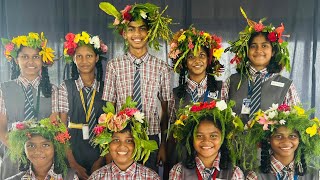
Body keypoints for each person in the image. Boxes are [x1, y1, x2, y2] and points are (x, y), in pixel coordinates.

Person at [99, 2, 173, 173]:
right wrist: (108, 144)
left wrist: (162, 144)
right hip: (121, 137)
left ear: (150, 33)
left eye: (142, 29)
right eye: (131, 29)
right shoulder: (114, 66)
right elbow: (108, 108)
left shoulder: (161, 67)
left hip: (151, 136)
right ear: (124, 34)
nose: (137, 34)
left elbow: (166, 108)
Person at [165, 26, 225, 179]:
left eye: (202, 55)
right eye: (191, 57)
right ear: (184, 62)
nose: (197, 61)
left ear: (209, 59)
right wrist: (165, 153)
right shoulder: (176, 93)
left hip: (212, 154)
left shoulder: (221, 88)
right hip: (183, 156)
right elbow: (172, 129)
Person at [222, 7, 300, 124]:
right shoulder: (231, 82)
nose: (259, 50)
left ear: (273, 51)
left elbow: (296, 122)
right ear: (247, 51)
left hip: (270, 142)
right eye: (253, 46)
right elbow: (220, 120)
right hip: (236, 142)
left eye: (264, 46)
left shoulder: (287, 86)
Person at [0, 32, 57, 179]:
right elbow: (1, 129)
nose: (30, 61)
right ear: (16, 60)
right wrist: (20, 150)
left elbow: (55, 125)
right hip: (13, 155)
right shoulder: (3, 90)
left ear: (42, 60)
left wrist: (38, 154)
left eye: (35, 57)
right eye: (24, 57)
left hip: (44, 159)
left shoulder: (54, 90)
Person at [57, 31, 108, 179]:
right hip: (73, 150)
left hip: (100, 151)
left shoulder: (107, 88)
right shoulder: (66, 87)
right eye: (79, 56)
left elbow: (112, 128)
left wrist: (101, 160)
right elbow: (61, 127)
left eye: (89, 56)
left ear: (97, 58)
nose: (84, 60)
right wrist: (72, 163)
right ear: (73, 59)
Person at [169, 100, 245, 180]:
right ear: (191, 138)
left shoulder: (234, 173)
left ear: (223, 138)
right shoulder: (179, 171)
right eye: (199, 136)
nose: (206, 141)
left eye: (213, 136)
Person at [88, 96, 159, 179]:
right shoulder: (96, 177)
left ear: (138, 144)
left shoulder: (151, 177)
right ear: (107, 145)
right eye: (116, 140)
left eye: (129, 141)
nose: (122, 146)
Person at [242, 104, 320, 179]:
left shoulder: (315, 175)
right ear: (268, 139)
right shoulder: (255, 176)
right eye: (278, 136)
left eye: (292, 136)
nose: (286, 142)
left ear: (300, 139)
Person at [5, 118, 78, 180]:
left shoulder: (70, 177)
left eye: (45, 145)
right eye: (31, 146)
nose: (38, 151)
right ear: (24, 149)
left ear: (55, 148)